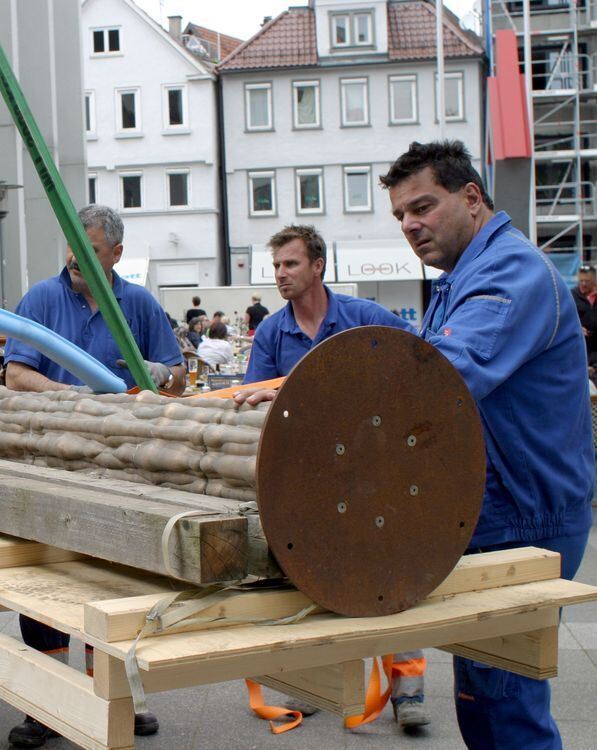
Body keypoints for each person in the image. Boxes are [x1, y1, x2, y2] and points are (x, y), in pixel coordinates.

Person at [382, 140, 593, 749]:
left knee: (506, 711)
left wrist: (327, 392)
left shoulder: (509, 272)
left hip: (526, 518)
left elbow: (443, 376)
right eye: (400, 216)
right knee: (483, 699)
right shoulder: (467, 273)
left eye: (422, 206)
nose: (410, 225)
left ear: (472, 197)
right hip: (502, 511)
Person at [3, 204, 184, 747]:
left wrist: (162, 376)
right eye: (73, 249)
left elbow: (175, 376)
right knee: (45, 579)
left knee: (118, 581)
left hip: (120, 468)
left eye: (92, 252)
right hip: (49, 463)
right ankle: (47, 702)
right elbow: (15, 374)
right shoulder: (40, 299)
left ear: (117, 255)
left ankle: (120, 695)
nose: (77, 260)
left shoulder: (141, 305)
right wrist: (76, 399)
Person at [234, 225, 429, 731]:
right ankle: (317, 680)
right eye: (276, 266)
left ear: (317, 266)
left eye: (291, 264)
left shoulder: (364, 318)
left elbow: (417, 360)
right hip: (311, 480)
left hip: (375, 471)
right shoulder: (273, 332)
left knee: (392, 571)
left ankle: (408, 686)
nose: (281, 274)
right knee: (315, 575)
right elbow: (254, 399)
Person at [572, 265, 597, 362]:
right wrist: (576, 327)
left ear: (594, 281)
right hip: (581, 346)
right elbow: (565, 318)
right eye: (581, 281)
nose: (583, 284)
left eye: (587, 281)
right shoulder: (572, 295)